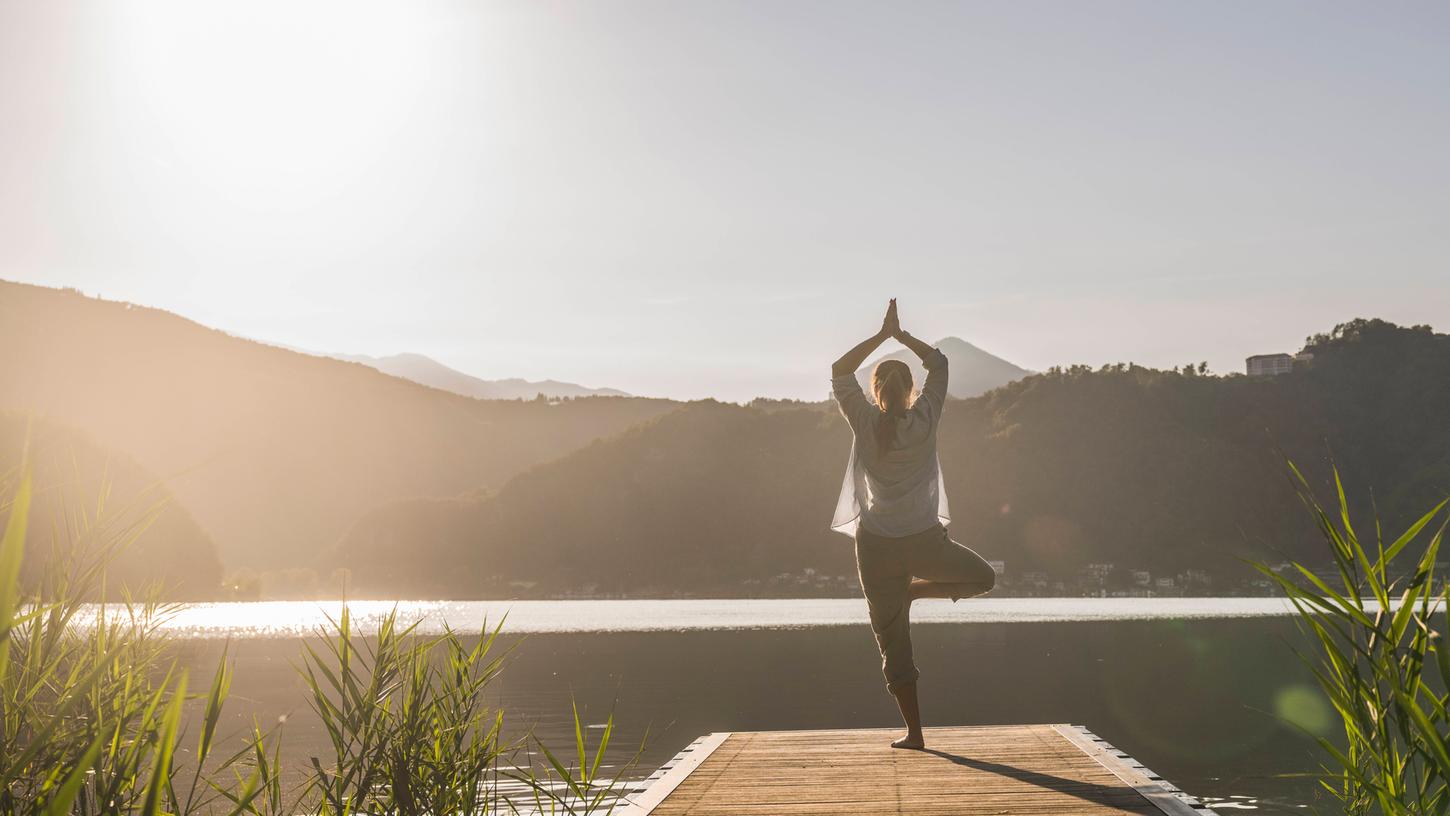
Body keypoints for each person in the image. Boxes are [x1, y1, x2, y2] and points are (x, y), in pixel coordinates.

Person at [829, 298, 996, 749]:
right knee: (984, 578)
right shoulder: (926, 417)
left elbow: (839, 370)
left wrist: (881, 336)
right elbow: (939, 364)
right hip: (924, 544)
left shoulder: (862, 419)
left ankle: (915, 733)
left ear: (876, 389)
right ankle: (917, 591)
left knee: (893, 644)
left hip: (876, 548)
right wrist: (902, 336)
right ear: (910, 391)